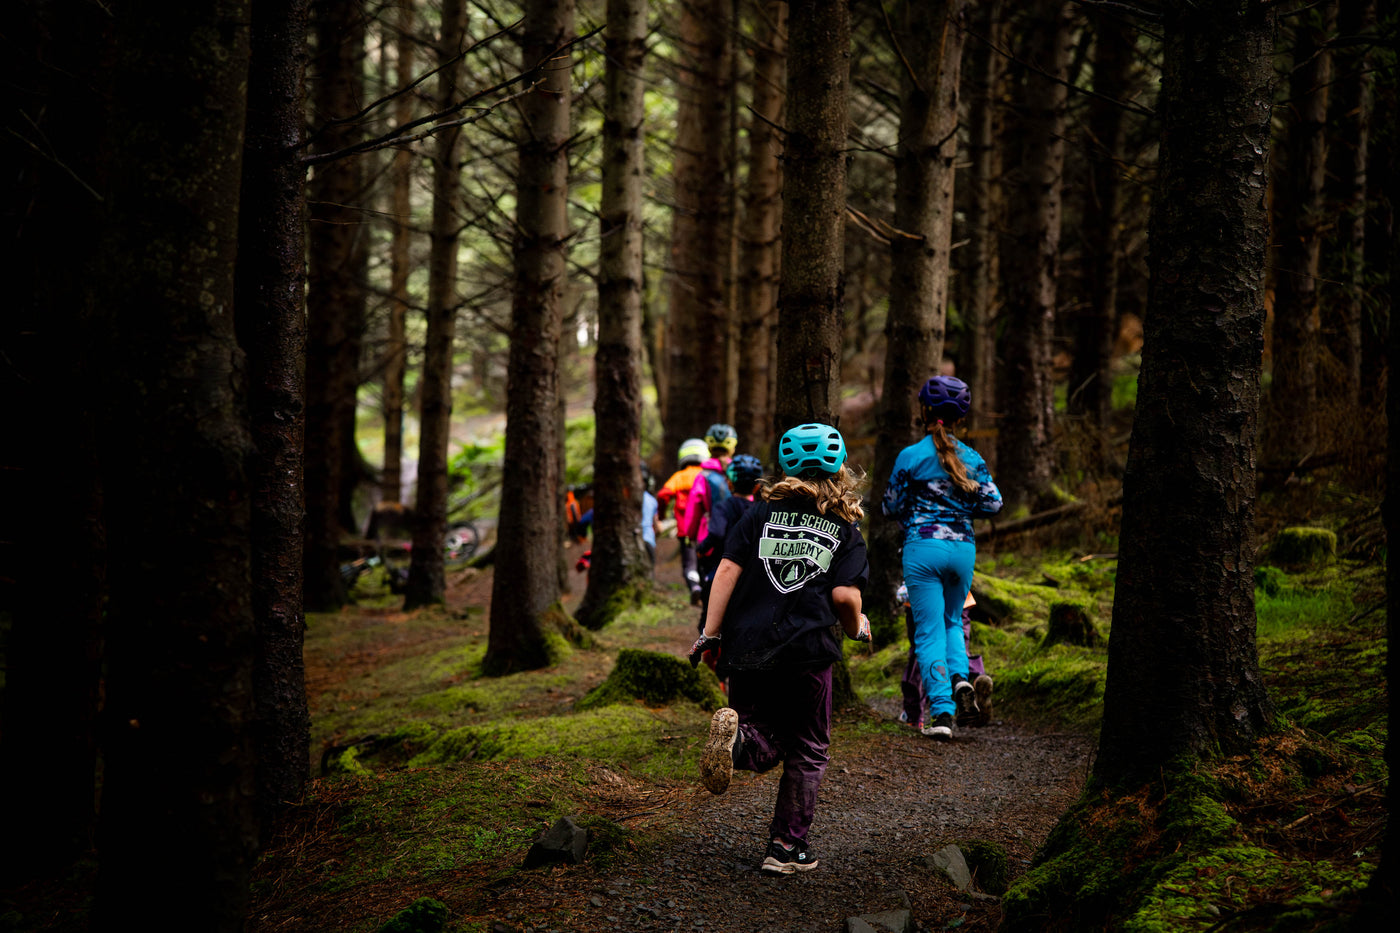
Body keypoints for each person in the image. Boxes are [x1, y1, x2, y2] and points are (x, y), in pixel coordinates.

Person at [688, 423, 871, 875]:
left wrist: (710, 634)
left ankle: (738, 744)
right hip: (807, 650)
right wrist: (855, 627)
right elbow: (846, 598)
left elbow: (726, 571)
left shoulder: (758, 514)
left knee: (761, 731)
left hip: (745, 646)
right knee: (807, 747)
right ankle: (786, 848)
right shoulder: (845, 527)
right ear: (840, 467)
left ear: (786, 466)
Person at [882, 376, 1002, 740]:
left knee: (928, 630)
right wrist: (961, 508)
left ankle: (943, 714)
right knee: (953, 622)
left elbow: (890, 506)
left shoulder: (910, 456)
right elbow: (993, 503)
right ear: (960, 418)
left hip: (923, 548)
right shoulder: (973, 458)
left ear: (924, 411)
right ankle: (961, 680)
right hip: (963, 549)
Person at [692, 453, 765, 674]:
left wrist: (701, 549)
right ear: (756, 487)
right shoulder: (761, 511)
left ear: (729, 481)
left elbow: (715, 533)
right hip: (752, 578)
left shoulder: (723, 508)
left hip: (719, 572)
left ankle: (712, 671)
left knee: (708, 622)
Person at [657, 438, 710, 602]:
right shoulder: (707, 475)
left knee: (689, 563)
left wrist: (662, 514)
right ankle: (707, 590)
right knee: (705, 560)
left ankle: (695, 587)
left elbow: (663, 494)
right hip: (706, 529)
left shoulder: (679, 477)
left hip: (685, 530)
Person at [683, 423, 739, 558]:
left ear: (709, 447)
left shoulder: (703, 476)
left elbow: (694, 510)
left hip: (709, 539)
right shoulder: (739, 472)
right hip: (738, 537)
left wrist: (690, 535)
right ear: (732, 448)